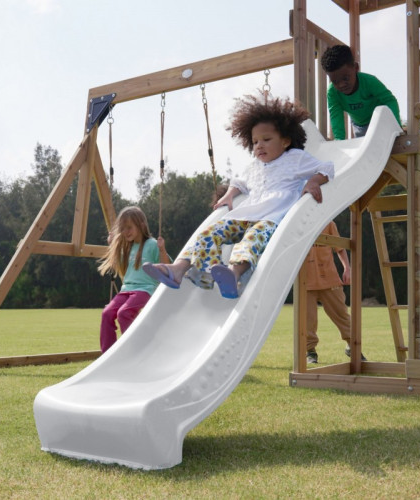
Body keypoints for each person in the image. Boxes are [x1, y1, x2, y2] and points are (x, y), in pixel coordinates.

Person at [143, 94, 334, 299]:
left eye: (266, 140)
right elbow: (238, 182)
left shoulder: (294, 158)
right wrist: (229, 195)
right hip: (244, 216)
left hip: (271, 219)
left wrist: (313, 181)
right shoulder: (254, 166)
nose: (259, 145)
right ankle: (179, 270)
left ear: (285, 141)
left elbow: (326, 167)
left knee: (249, 241)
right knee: (209, 233)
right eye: (255, 142)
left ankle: (234, 274)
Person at [98, 206, 170, 353]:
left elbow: (167, 268)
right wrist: (112, 244)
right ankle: (108, 354)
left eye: (129, 227)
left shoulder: (152, 244)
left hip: (146, 289)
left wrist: (162, 249)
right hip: (127, 290)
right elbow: (120, 266)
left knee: (124, 313)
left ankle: (134, 350)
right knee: (107, 313)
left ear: (141, 225)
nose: (126, 232)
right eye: (123, 228)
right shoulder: (127, 247)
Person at [305, 220, 366, 364]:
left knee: (342, 315)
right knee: (307, 320)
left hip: (330, 279)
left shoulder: (328, 223)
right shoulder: (298, 222)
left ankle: (352, 346)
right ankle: (310, 352)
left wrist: (347, 268)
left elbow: (340, 248)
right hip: (305, 282)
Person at [320, 45, 402, 140]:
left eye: (345, 78)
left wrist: (397, 128)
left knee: (387, 142)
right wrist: (339, 140)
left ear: (356, 68)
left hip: (380, 121)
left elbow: (390, 100)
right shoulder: (332, 93)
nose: (341, 85)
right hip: (359, 126)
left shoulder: (370, 82)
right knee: (365, 147)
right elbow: (336, 116)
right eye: (335, 81)